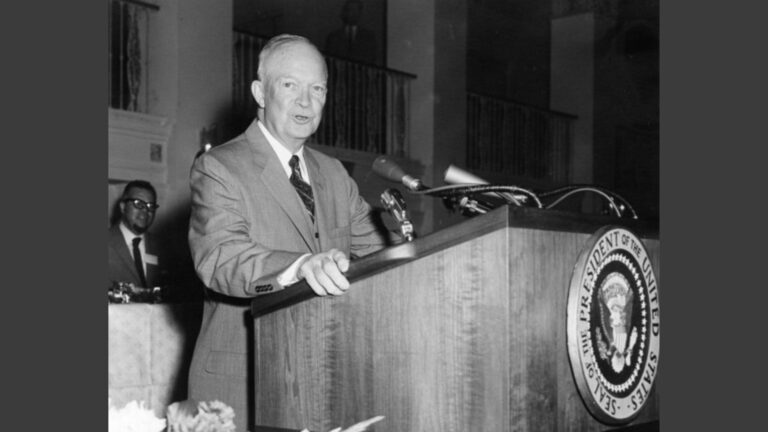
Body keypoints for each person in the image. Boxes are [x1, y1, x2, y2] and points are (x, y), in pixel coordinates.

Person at [187, 34, 389, 431]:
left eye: (317, 89)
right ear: (260, 92)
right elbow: (221, 258)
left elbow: (378, 252)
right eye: (290, 85)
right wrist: (299, 266)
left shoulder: (334, 174)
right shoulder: (220, 167)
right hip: (244, 383)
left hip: (324, 380)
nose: (305, 101)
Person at [108, 180, 164, 289]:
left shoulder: (162, 247)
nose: (145, 211)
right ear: (123, 206)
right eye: (138, 204)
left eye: (150, 206)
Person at [324, 0, 379, 65]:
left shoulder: (369, 37)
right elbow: (330, 60)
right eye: (350, 10)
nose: (352, 13)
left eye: (355, 10)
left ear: (360, 13)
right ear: (345, 12)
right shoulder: (334, 37)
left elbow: (371, 58)